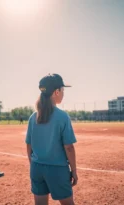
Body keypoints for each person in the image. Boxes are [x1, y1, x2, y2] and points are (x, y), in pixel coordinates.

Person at [25, 74, 78, 205]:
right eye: (63, 90)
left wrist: (33, 165)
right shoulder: (62, 116)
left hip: (36, 168)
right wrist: (74, 171)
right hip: (57, 169)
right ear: (56, 92)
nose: (63, 93)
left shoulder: (33, 116)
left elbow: (29, 144)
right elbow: (69, 147)